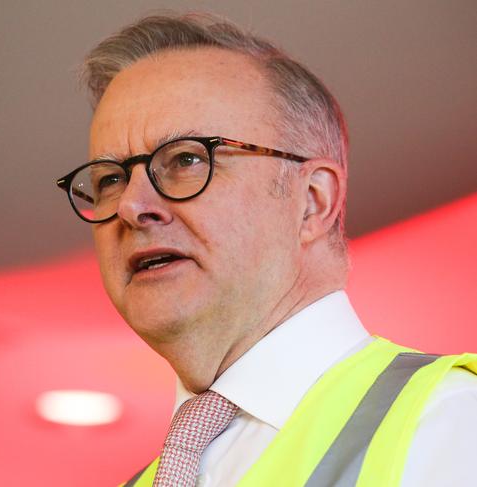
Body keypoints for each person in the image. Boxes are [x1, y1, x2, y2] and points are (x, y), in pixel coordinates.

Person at [56, 12, 477, 487]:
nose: (132, 205)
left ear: (313, 202)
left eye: (187, 159)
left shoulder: (452, 424)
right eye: (111, 178)